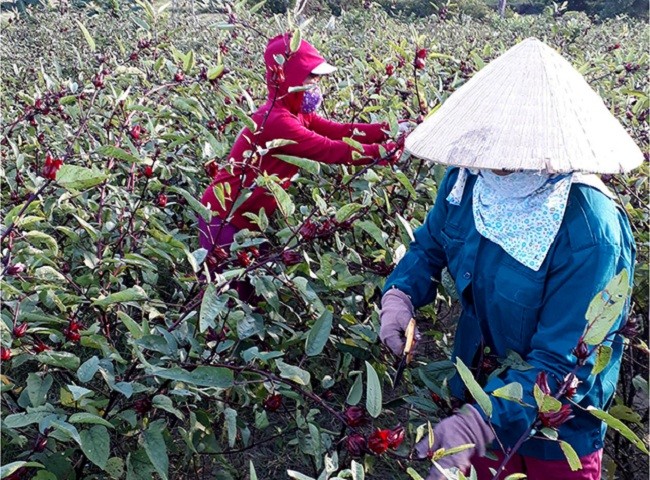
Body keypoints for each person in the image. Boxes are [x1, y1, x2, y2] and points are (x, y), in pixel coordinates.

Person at [379, 38, 642, 480]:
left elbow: (561, 362)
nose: (494, 162)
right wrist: (400, 293)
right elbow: (431, 244)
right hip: (481, 387)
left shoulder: (590, 234)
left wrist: (476, 424)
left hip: (556, 427)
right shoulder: (467, 182)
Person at [199, 33, 404, 253]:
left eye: (317, 79)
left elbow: (340, 131)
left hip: (243, 218)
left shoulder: (297, 113)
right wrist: (383, 152)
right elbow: (329, 149)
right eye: (311, 78)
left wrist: (387, 130)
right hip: (222, 217)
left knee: (246, 282)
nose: (316, 85)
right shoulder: (277, 120)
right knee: (228, 284)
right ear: (290, 77)